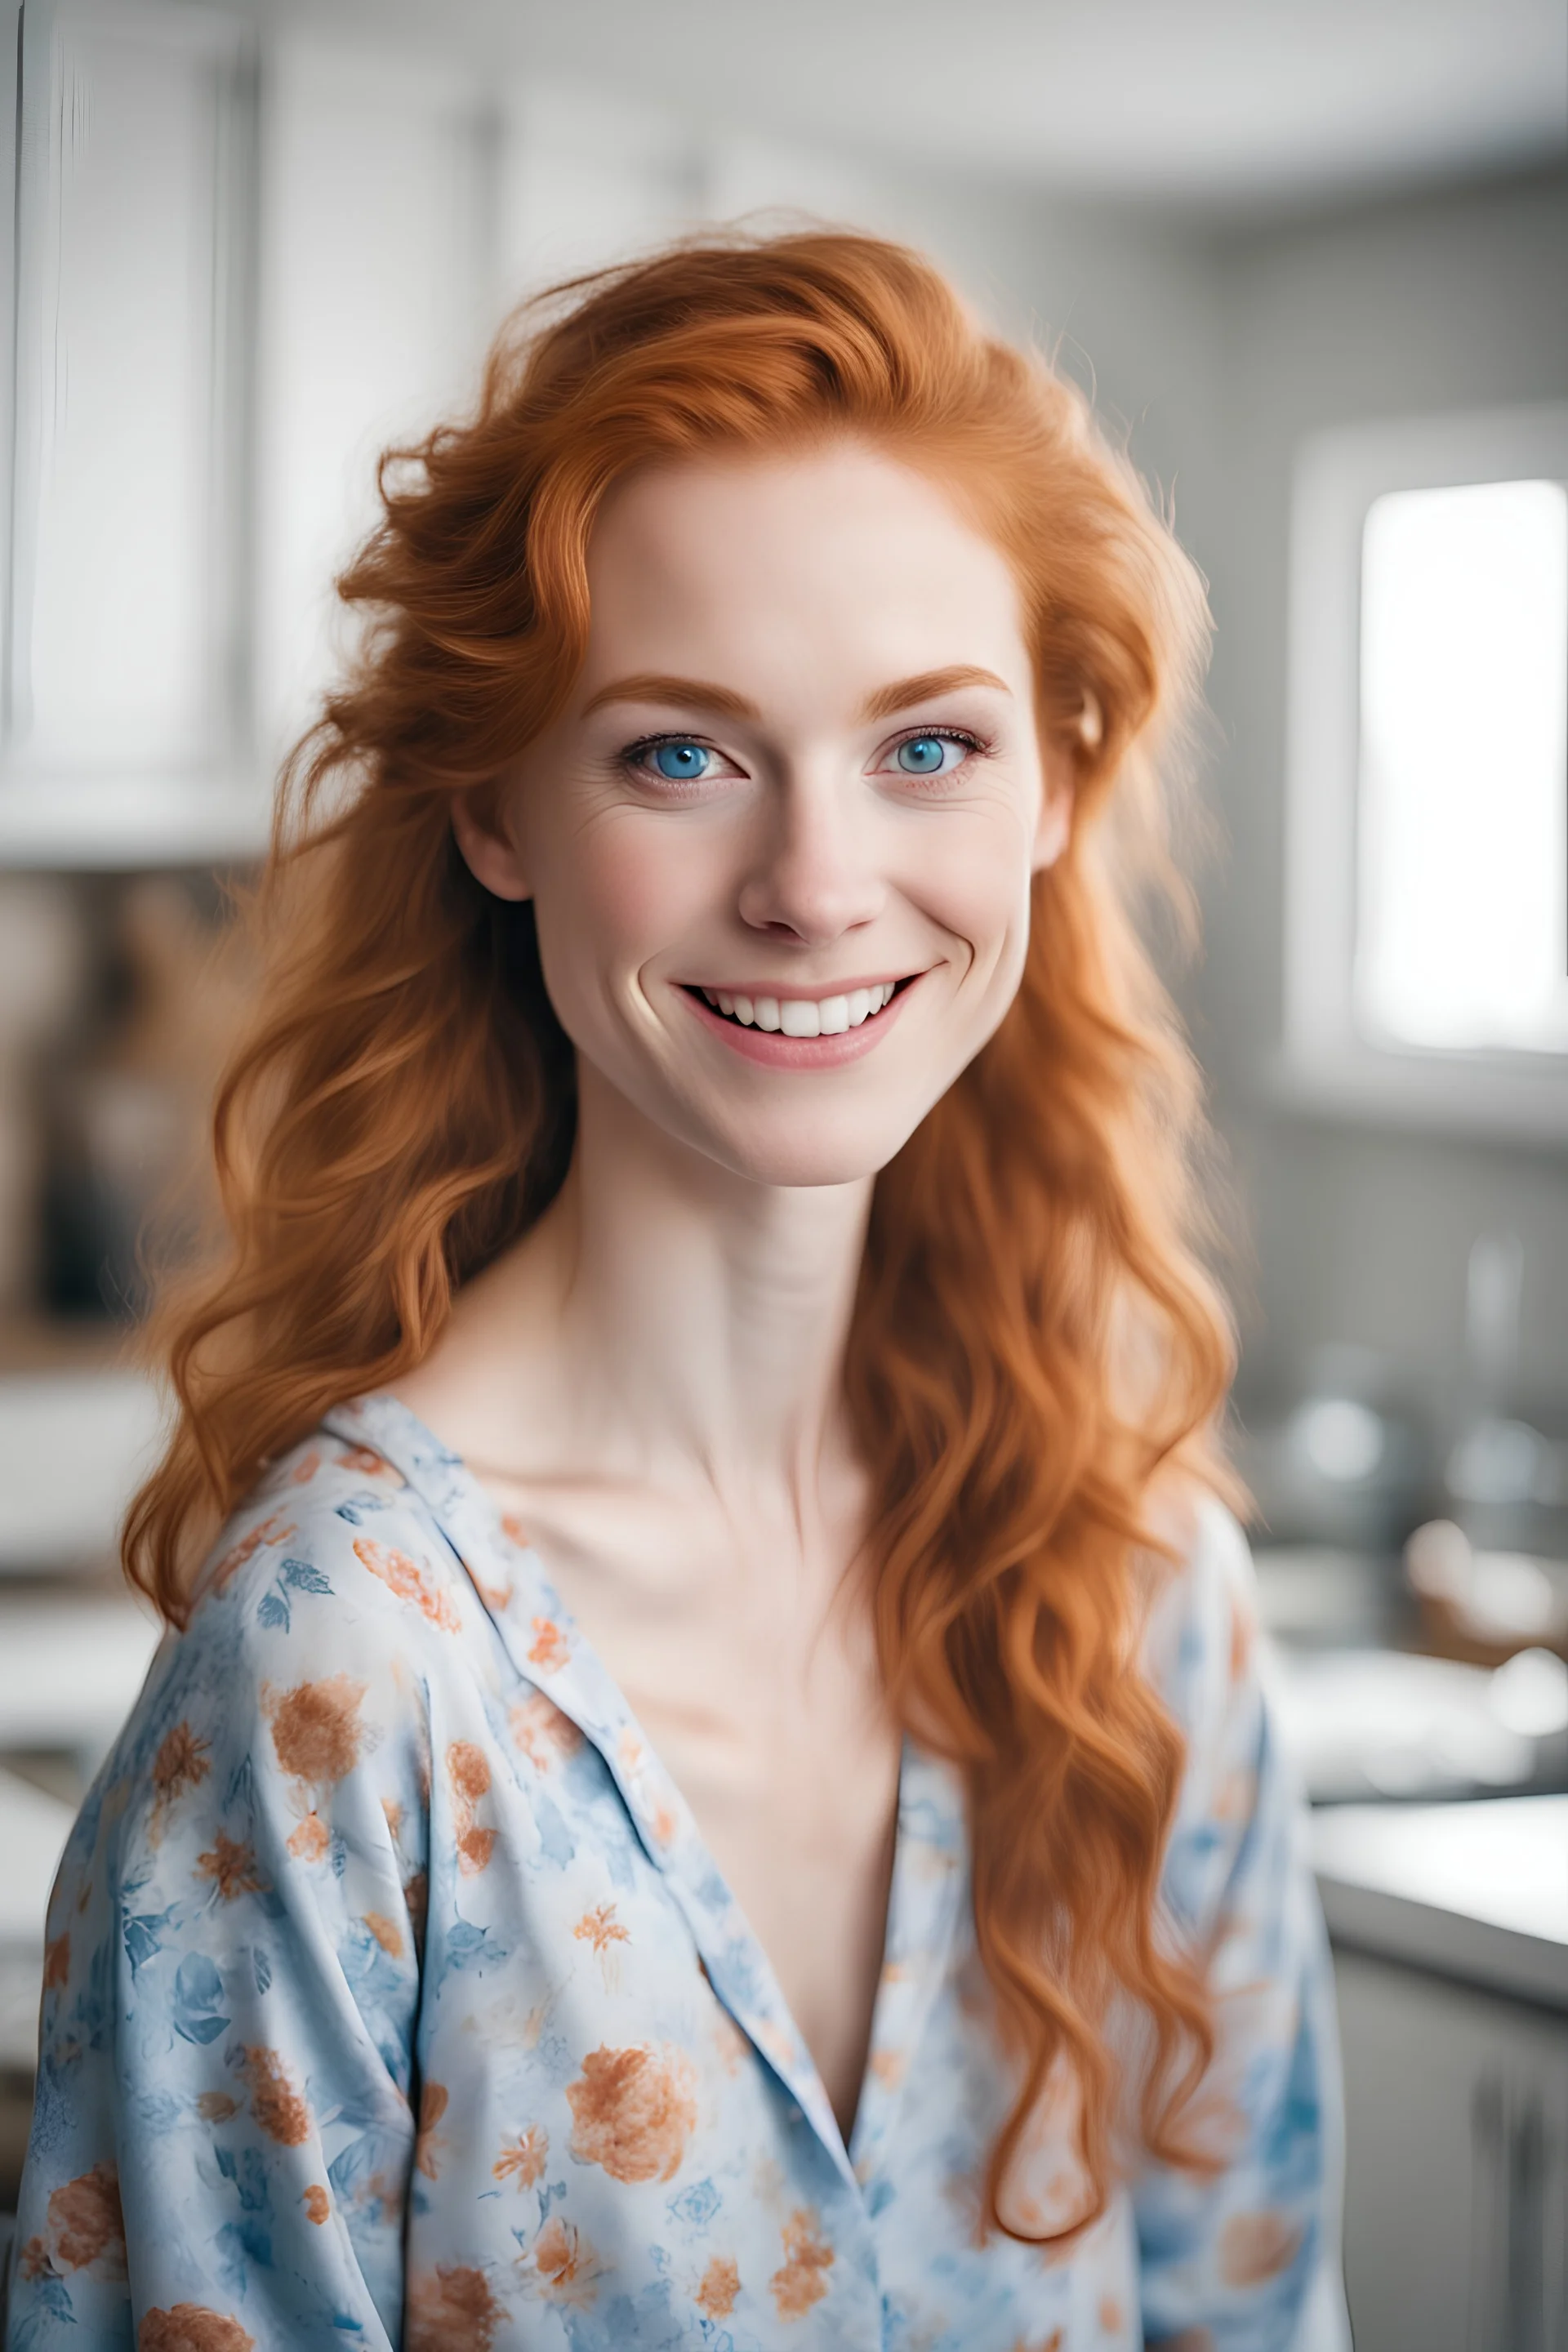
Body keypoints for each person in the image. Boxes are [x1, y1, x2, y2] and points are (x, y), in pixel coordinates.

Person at [6, 231, 1347, 2351]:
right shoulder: (345, 1673)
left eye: (929, 748)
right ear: (494, 807)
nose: (817, 885)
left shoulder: (1143, 1583)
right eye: (679, 754)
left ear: (1059, 788)